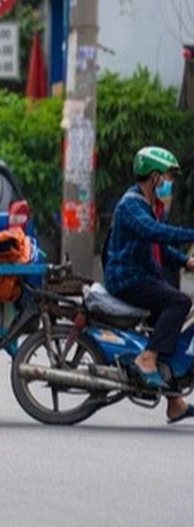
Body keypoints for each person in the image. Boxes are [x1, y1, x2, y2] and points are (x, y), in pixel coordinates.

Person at [103, 145, 194, 423]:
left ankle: (175, 402)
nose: (170, 183)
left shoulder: (150, 206)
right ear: (153, 176)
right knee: (180, 301)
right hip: (127, 279)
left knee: (168, 326)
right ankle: (147, 358)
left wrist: (186, 262)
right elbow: (156, 233)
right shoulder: (132, 205)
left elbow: (160, 247)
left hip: (143, 276)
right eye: (166, 177)